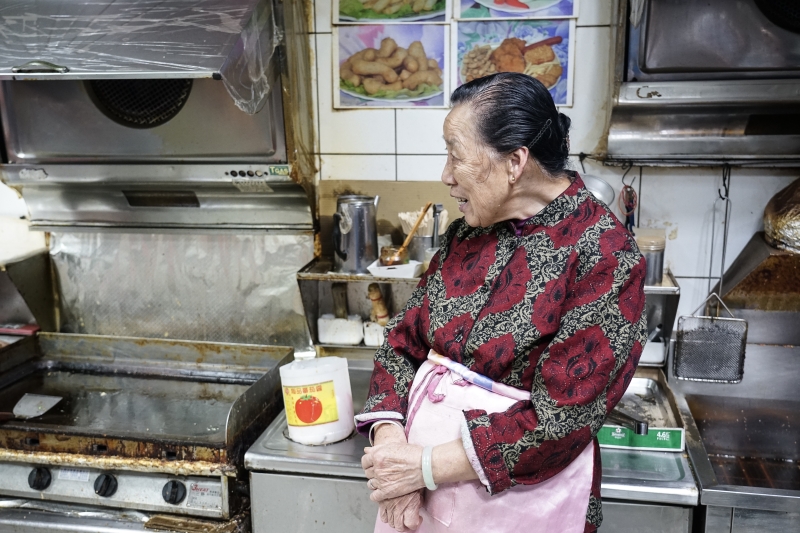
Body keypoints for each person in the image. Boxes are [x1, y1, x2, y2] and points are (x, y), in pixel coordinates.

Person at [355, 72, 647, 533]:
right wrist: (394, 452)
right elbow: (402, 343)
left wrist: (424, 467)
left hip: (519, 508)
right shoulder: (466, 233)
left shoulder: (604, 255)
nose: (446, 175)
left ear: (515, 162)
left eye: (456, 154)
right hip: (417, 497)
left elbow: (561, 421)